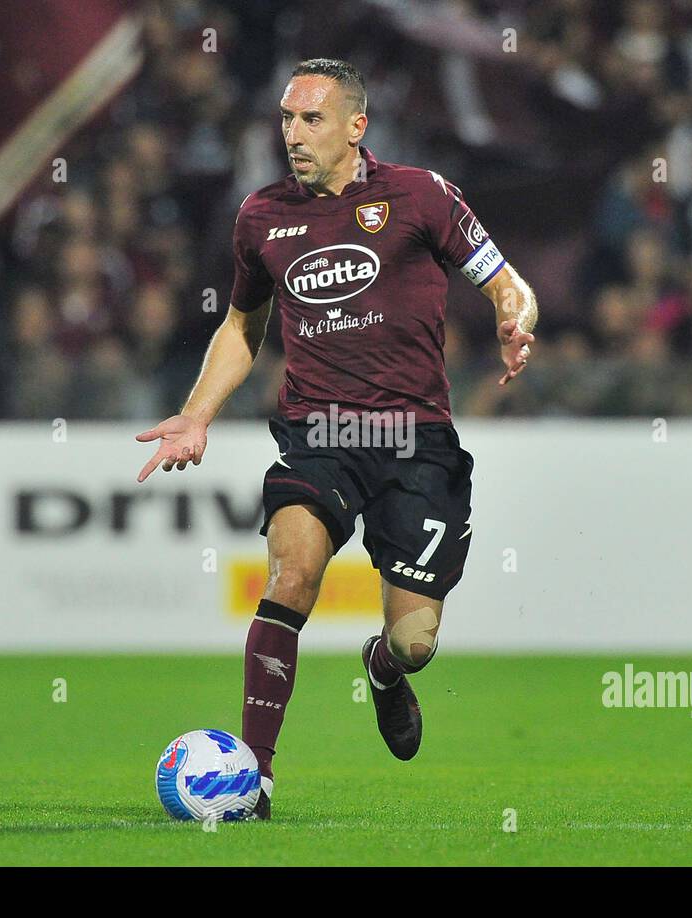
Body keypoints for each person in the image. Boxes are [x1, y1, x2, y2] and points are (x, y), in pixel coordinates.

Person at [135, 58, 538, 818]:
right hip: (319, 432)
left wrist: (517, 321)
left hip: (417, 440)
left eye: (310, 119)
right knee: (292, 574)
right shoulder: (261, 217)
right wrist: (196, 414)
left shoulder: (422, 195)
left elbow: (505, 279)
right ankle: (254, 778)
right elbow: (241, 327)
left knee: (416, 638)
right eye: (286, 118)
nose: (293, 133)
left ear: (357, 126)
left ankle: (382, 669)